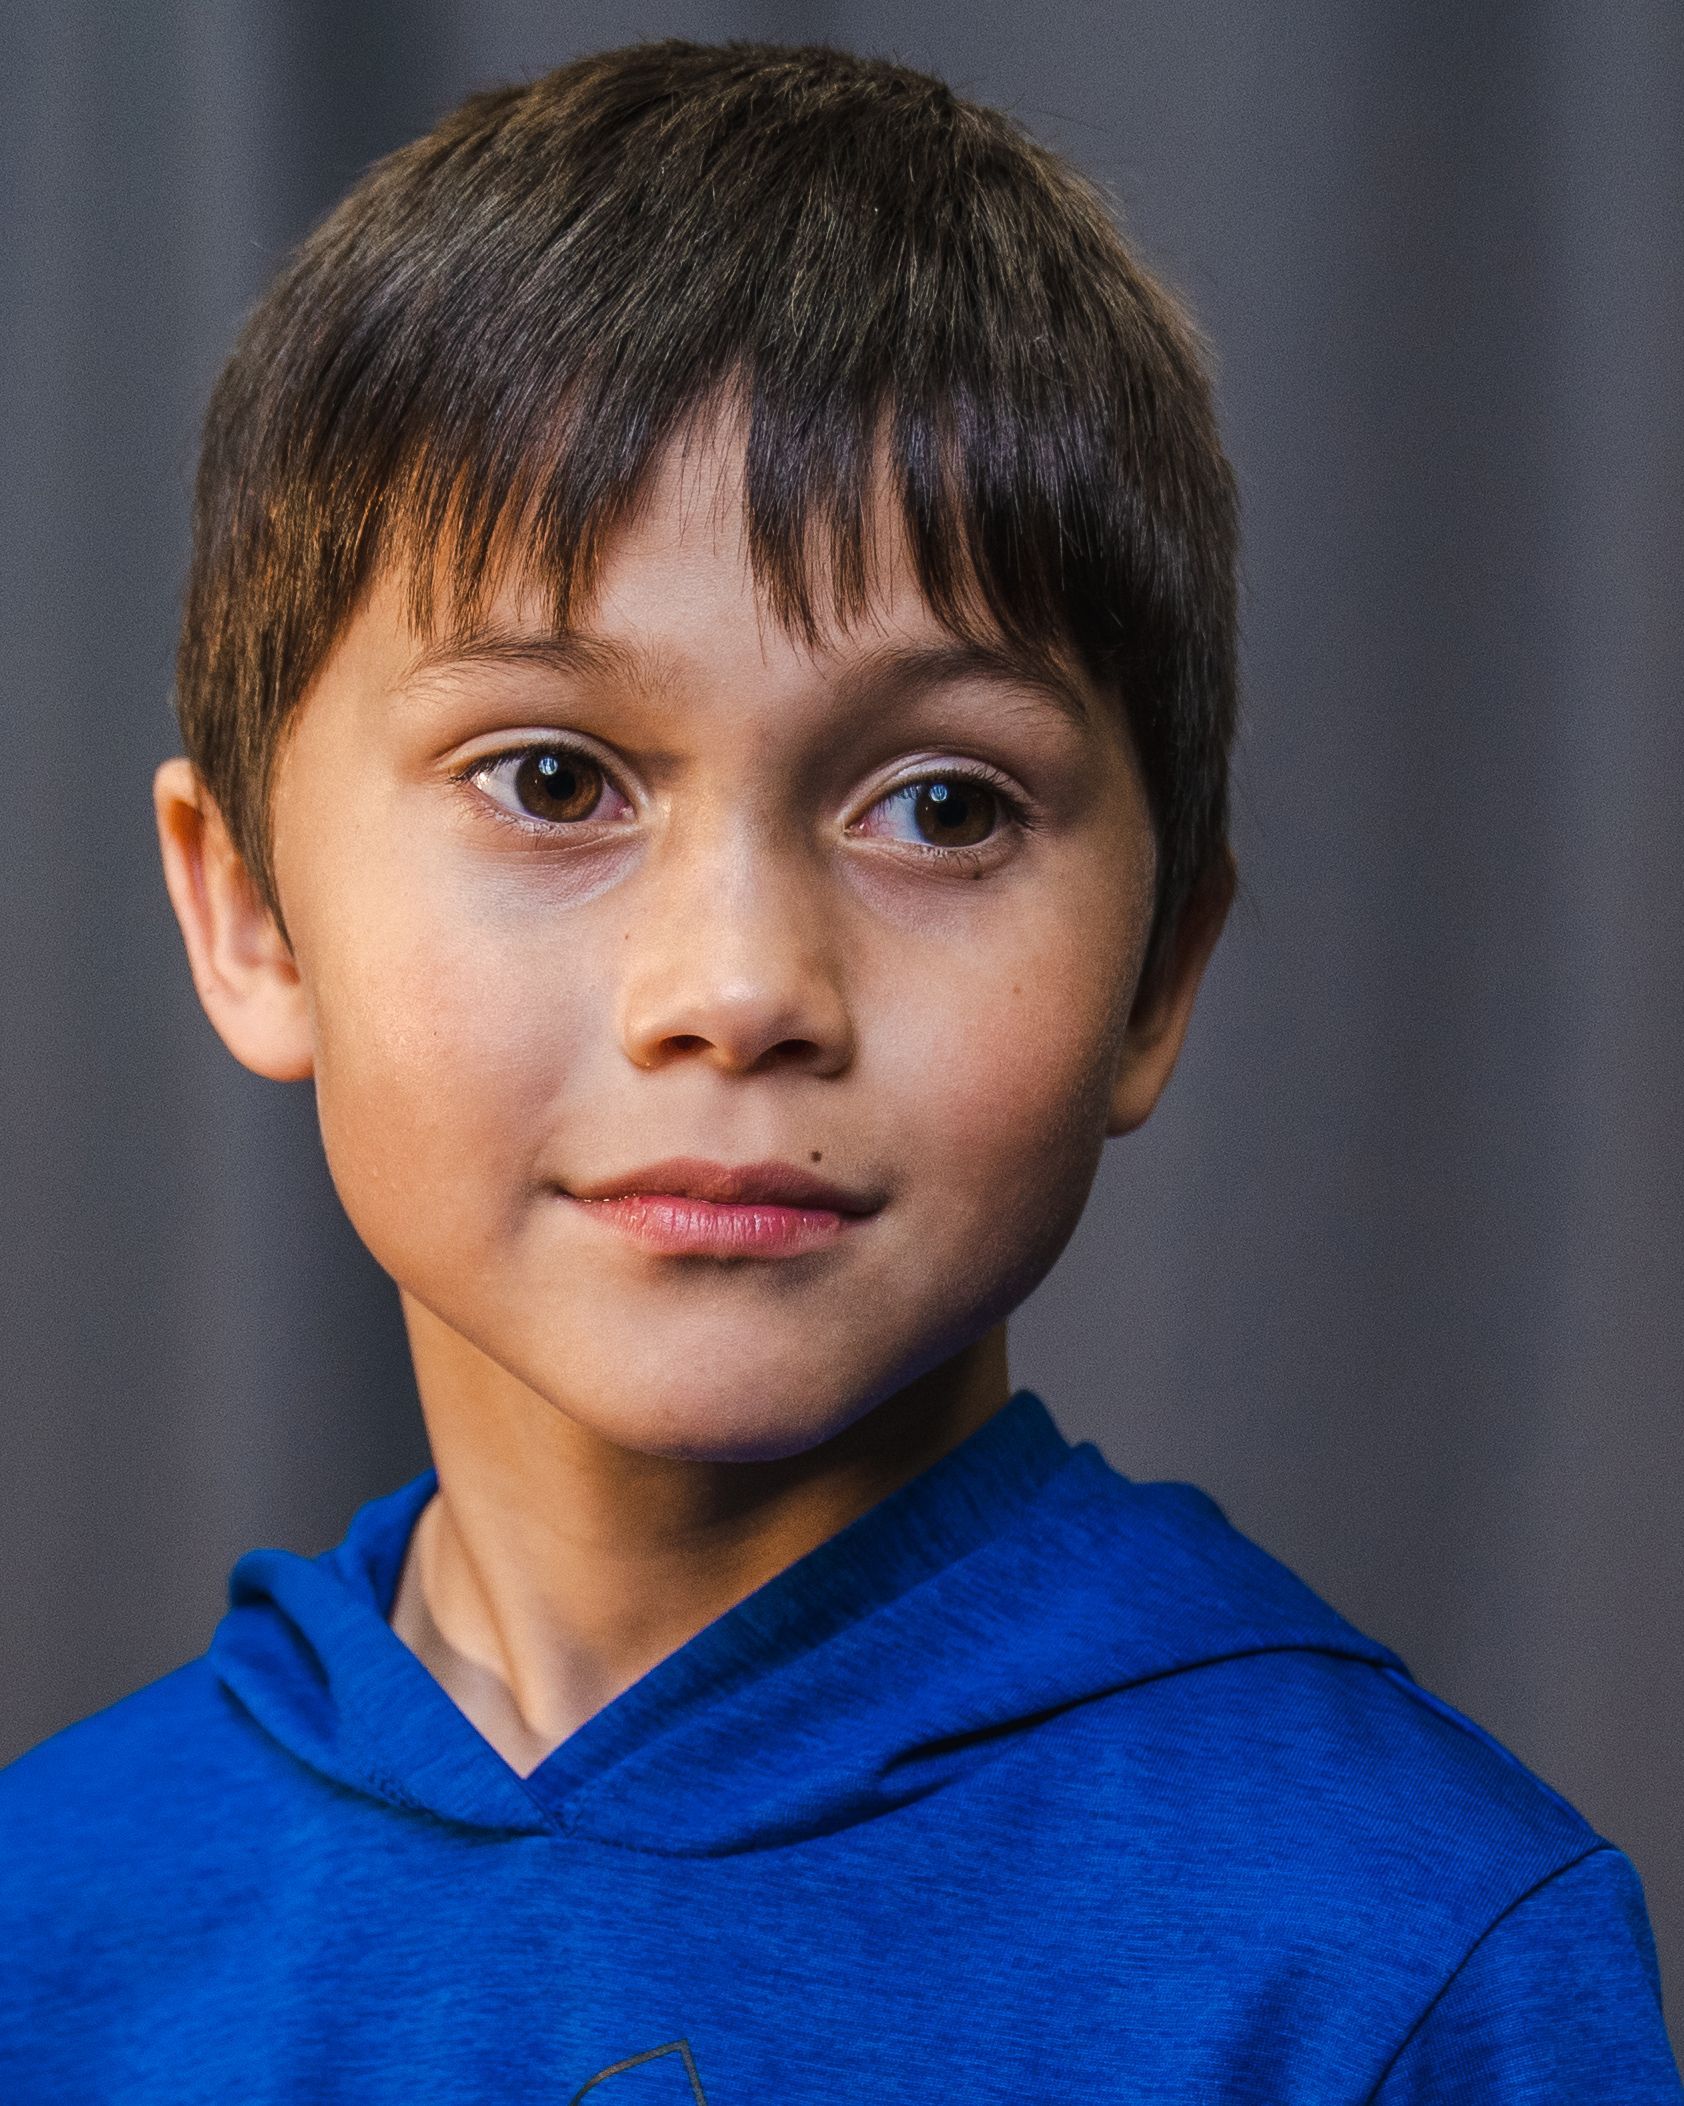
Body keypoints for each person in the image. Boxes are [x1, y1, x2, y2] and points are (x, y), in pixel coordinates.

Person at [0, 38, 1677, 2102]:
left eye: (943, 809)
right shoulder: (45, 1928)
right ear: (251, 913)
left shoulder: (1408, 1958)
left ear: (1157, 973)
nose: (737, 985)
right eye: (551, 778)